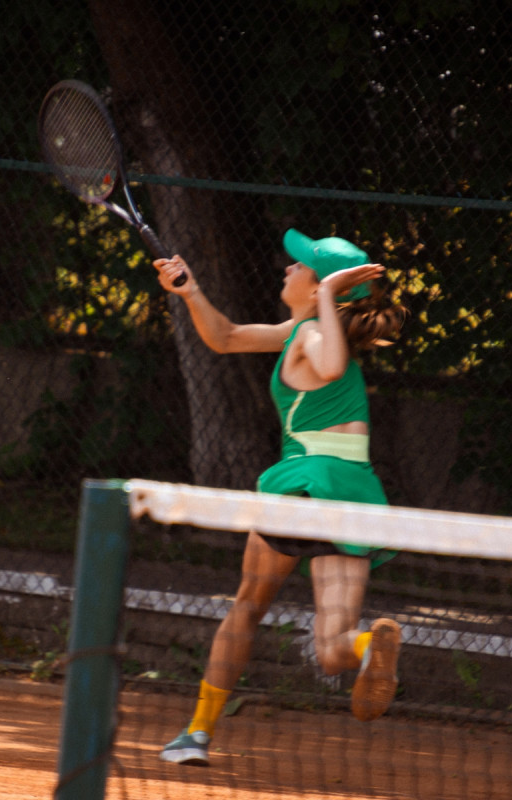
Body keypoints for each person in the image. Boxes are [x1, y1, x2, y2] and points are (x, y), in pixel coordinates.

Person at [155, 229, 408, 766]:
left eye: (302, 267)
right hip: (352, 490)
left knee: (247, 606)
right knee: (332, 646)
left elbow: (330, 364)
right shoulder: (305, 330)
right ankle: (368, 648)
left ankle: (197, 734)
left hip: (302, 485)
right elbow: (224, 337)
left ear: (323, 291)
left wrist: (324, 298)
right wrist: (191, 291)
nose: (288, 269)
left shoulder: (315, 334)